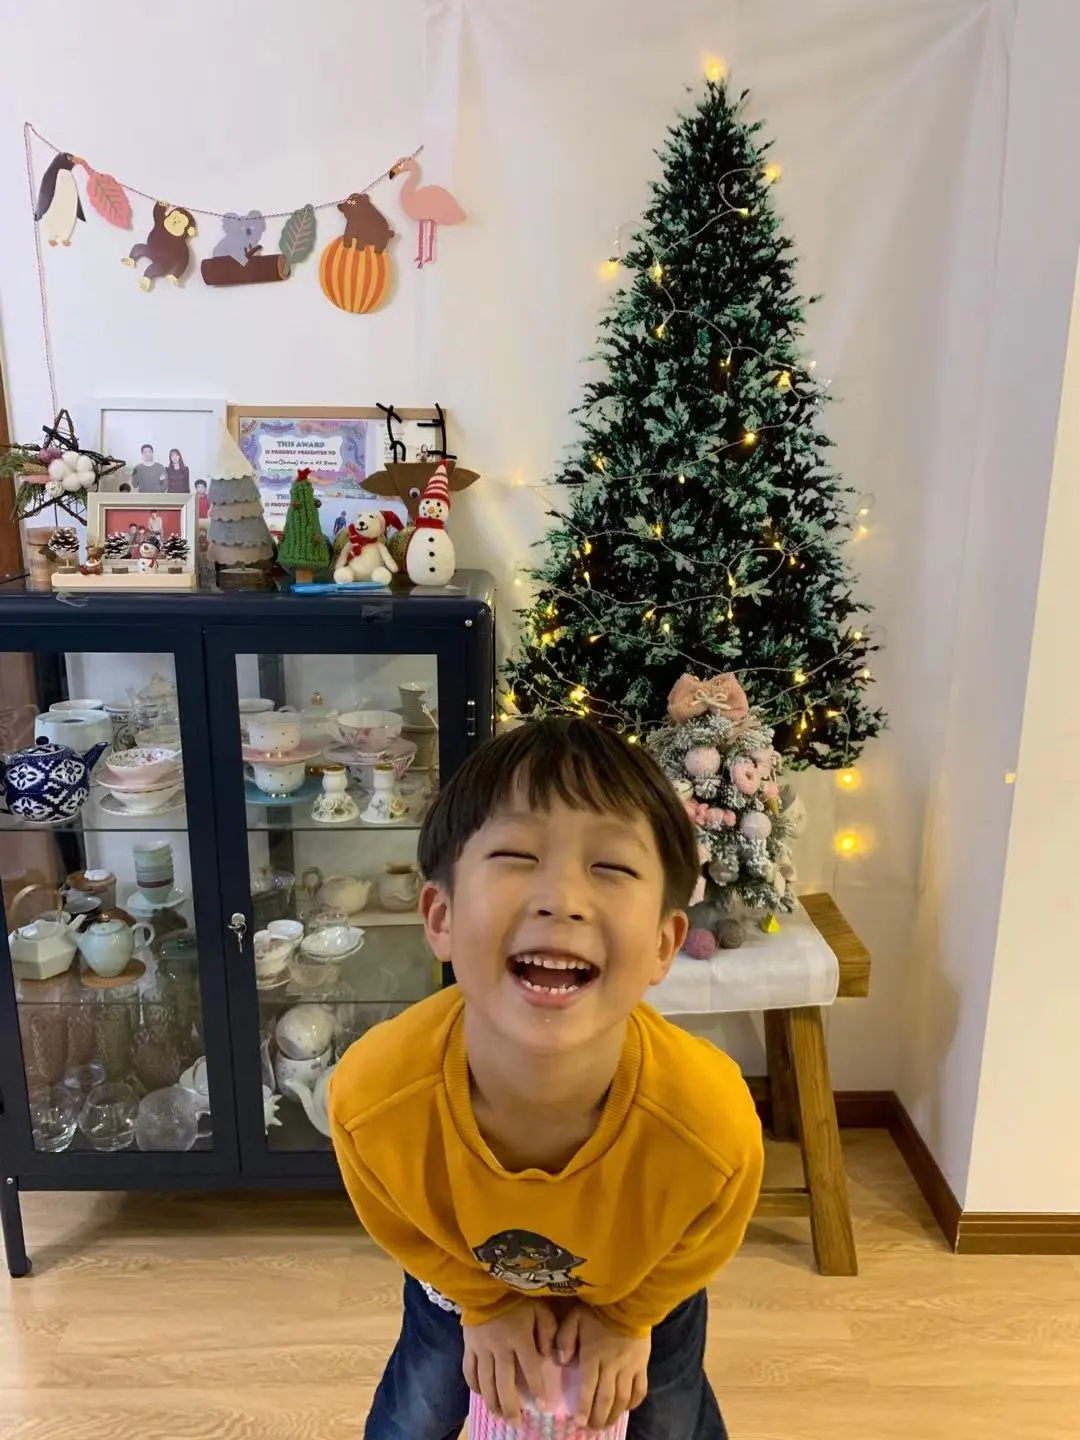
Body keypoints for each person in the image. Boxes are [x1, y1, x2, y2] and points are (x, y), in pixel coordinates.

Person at [330, 718, 764, 1440]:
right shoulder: (375, 1096)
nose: (561, 897)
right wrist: (482, 1304)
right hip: (461, 1274)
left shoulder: (708, 1123)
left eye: (612, 866)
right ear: (440, 916)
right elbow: (395, 1214)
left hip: (645, 1281)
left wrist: (628, 1319)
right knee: (417, 1411)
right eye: (515, 855)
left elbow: (708, 1231)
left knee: (672, 1414)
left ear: (664, 944)